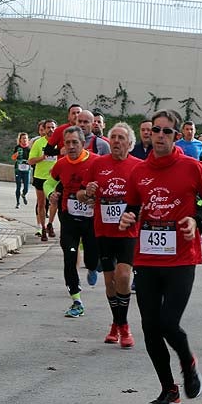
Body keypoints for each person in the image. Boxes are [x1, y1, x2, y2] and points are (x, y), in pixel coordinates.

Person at [120, 109, 202, 404]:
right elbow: (134, 205)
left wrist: (197, 219)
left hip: (181, 258)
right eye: (156, 130)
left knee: (168, 322)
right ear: (149, 134)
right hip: (148, 258)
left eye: (167, 131)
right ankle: (168, 389)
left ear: (176, 136)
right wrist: (127, 216)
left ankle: (188, 362)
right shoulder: (139, 171)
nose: (160, 135)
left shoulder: (191, 167)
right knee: (150, 327)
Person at [81, 122, 142, 347]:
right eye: (113, 137)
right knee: (109, 281)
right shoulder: (98, 164)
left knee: (124, 276)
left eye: (120, 138)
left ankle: (123, 327)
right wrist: (87, 192)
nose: (116, 141)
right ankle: (116, 324)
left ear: (129, 143)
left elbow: (146, 198)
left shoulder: (139, 166)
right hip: (103, 230)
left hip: (128, 231)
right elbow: (82, 195)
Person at [49, 126, 99, 317]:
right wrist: (50, 194)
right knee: (69, 257)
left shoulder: (96, 162)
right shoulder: (61, 164)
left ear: (83, 143)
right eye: (67, 142)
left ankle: (93, 266)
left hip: (91, 220)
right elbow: (49, 181)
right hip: (68, 217)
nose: (70, 146)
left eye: (74, 142)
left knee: (91, 258)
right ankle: (76, 300)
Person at [28, 119, 58, 241]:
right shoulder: (38, 143)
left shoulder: (59, 143)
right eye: (48, 127)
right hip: (40, 177)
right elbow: (30, 161)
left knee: (54, 202)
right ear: (44, 129)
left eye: (53, 127)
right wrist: (42, 157)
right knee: (41, 203)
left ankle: (50, 224)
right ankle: (43, 227)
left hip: (54, 178)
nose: (50, 130)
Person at [12, 132, 32, 208]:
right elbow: (13, 158)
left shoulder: (29, 149)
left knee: (26, 187)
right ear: (20, 140)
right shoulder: (17, 148)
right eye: (23, 138)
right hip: (18, 169)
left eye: (26, 138)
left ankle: (23, 194)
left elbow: (32, 158)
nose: (24, 140)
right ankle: (18, 203)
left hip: (26, 169)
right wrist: (16, 155)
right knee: (18, 186)